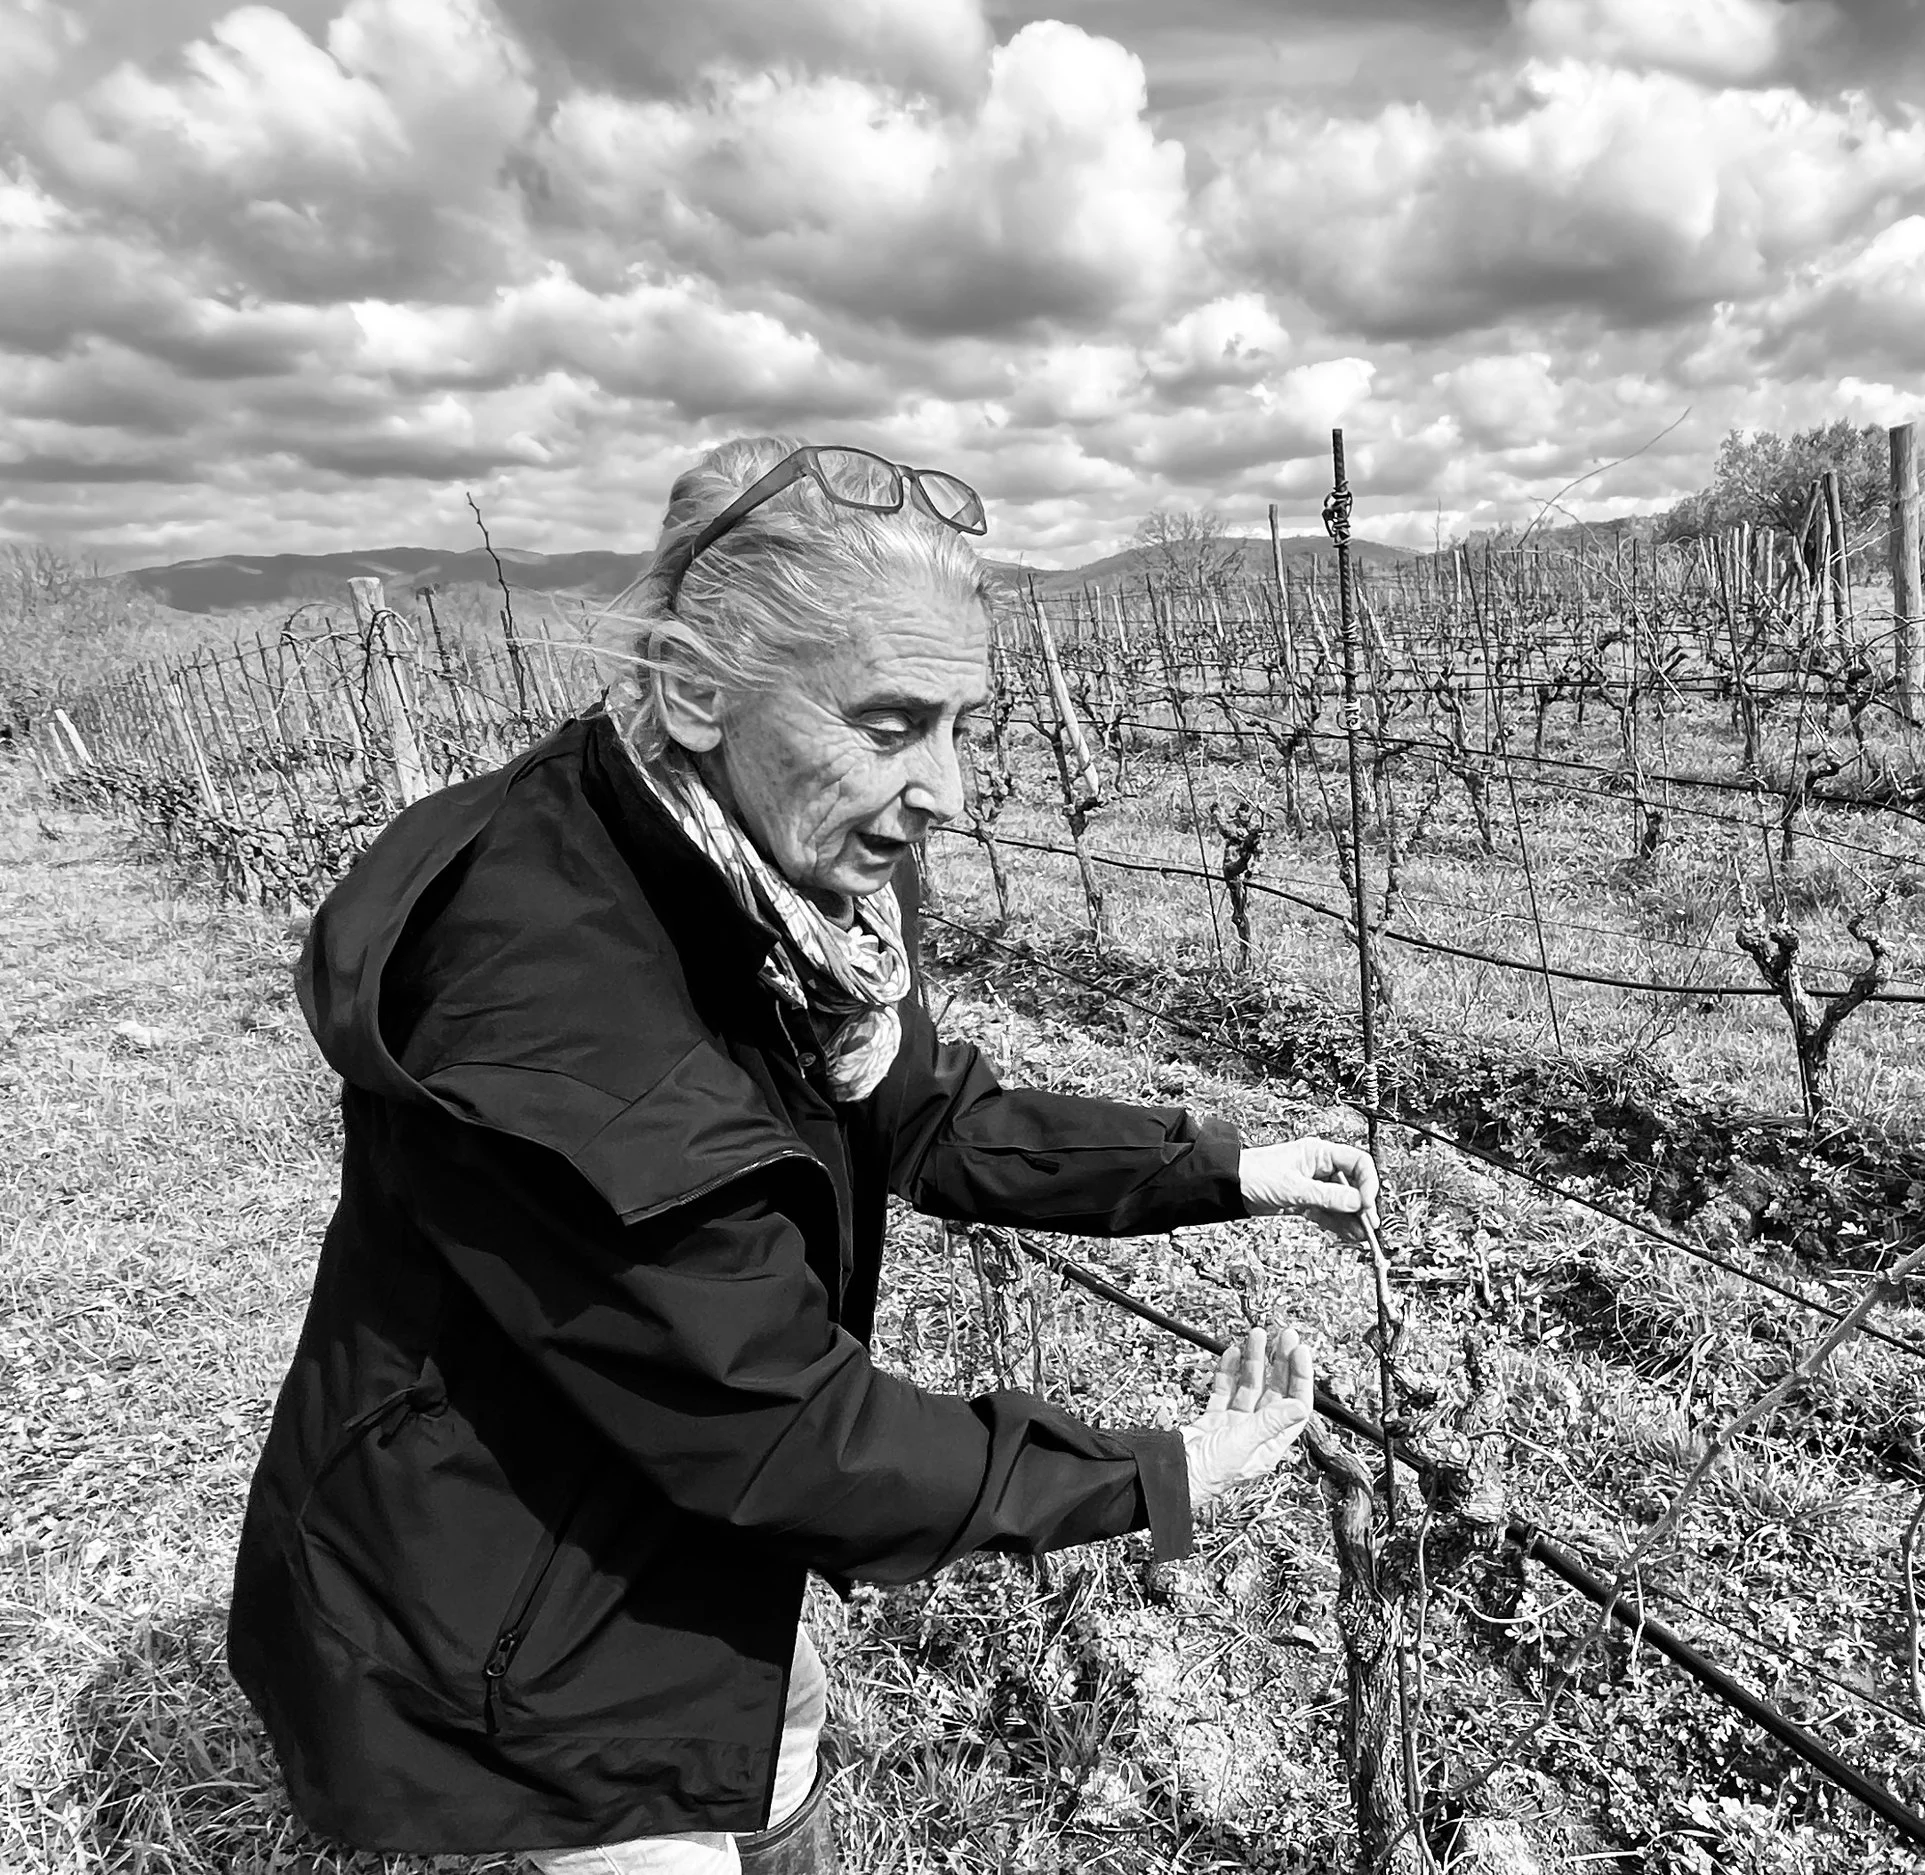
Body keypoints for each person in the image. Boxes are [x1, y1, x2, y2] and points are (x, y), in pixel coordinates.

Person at [226, 437, 1379, 1874]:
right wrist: (1160, 1473)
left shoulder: (757, 889)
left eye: (962, 722)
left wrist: (1227, 1166)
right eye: (891, 722)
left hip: (663, 1507)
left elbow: (929, 1111)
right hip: (508, 1609)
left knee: (777, 1730)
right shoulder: (575, 1030)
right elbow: (791, 1429)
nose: (948, 788)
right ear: (701, 688)